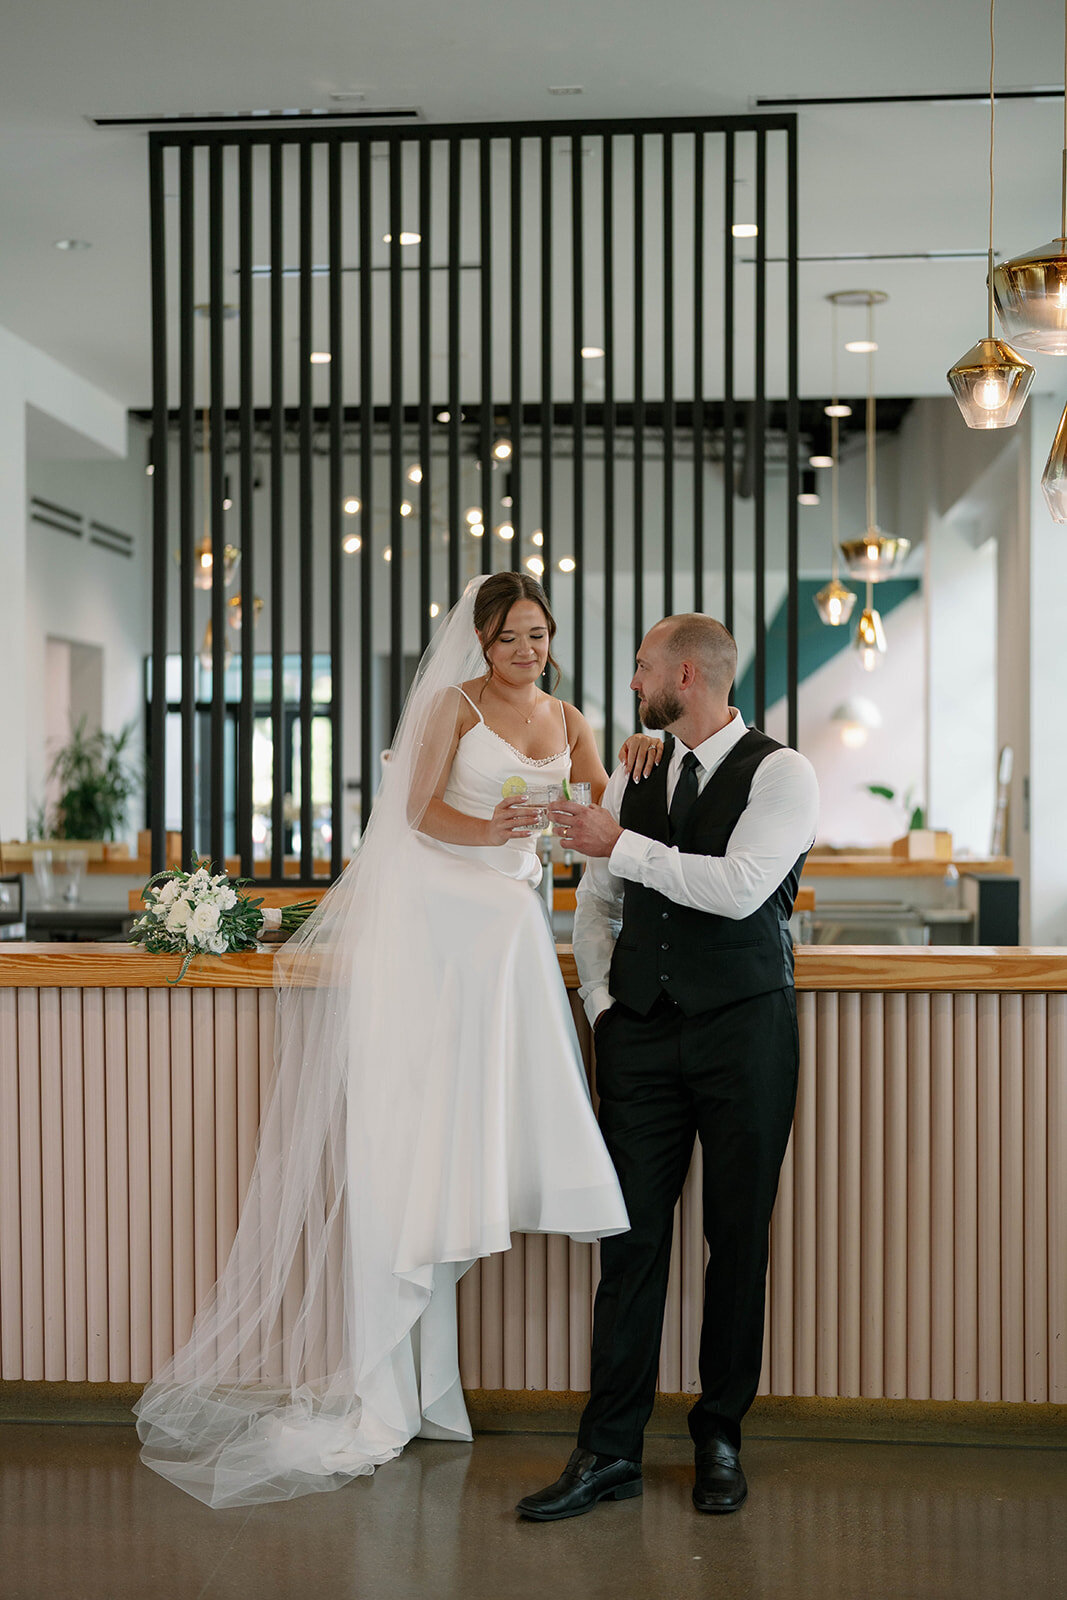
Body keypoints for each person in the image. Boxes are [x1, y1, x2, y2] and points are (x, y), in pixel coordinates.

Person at [135, 571, 658, 1509]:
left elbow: (596, 815)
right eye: (509, 637)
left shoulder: (571, 716)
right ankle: (390, 1362)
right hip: (440, 929)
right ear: (481, 641)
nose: (526, 651)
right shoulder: (450, 709)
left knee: (499, 1109)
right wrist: (492, 825)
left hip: (509, 936)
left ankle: (475, 1221)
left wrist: (633, 753)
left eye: (537, 635)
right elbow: (414, 815)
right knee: (423, 1123)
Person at [517, 612, 819, 1522]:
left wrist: (623, 844)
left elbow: (736, 890)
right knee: (630, 1244)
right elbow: (595, 903)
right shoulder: (637, 771)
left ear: (685, 675)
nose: (633, 677)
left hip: (743, 1035)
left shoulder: (783, 772)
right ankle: (606, 1449)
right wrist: (604, 1008)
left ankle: (718, 1439)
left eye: (643, 664)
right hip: (640, 1039)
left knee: (737, 1243)